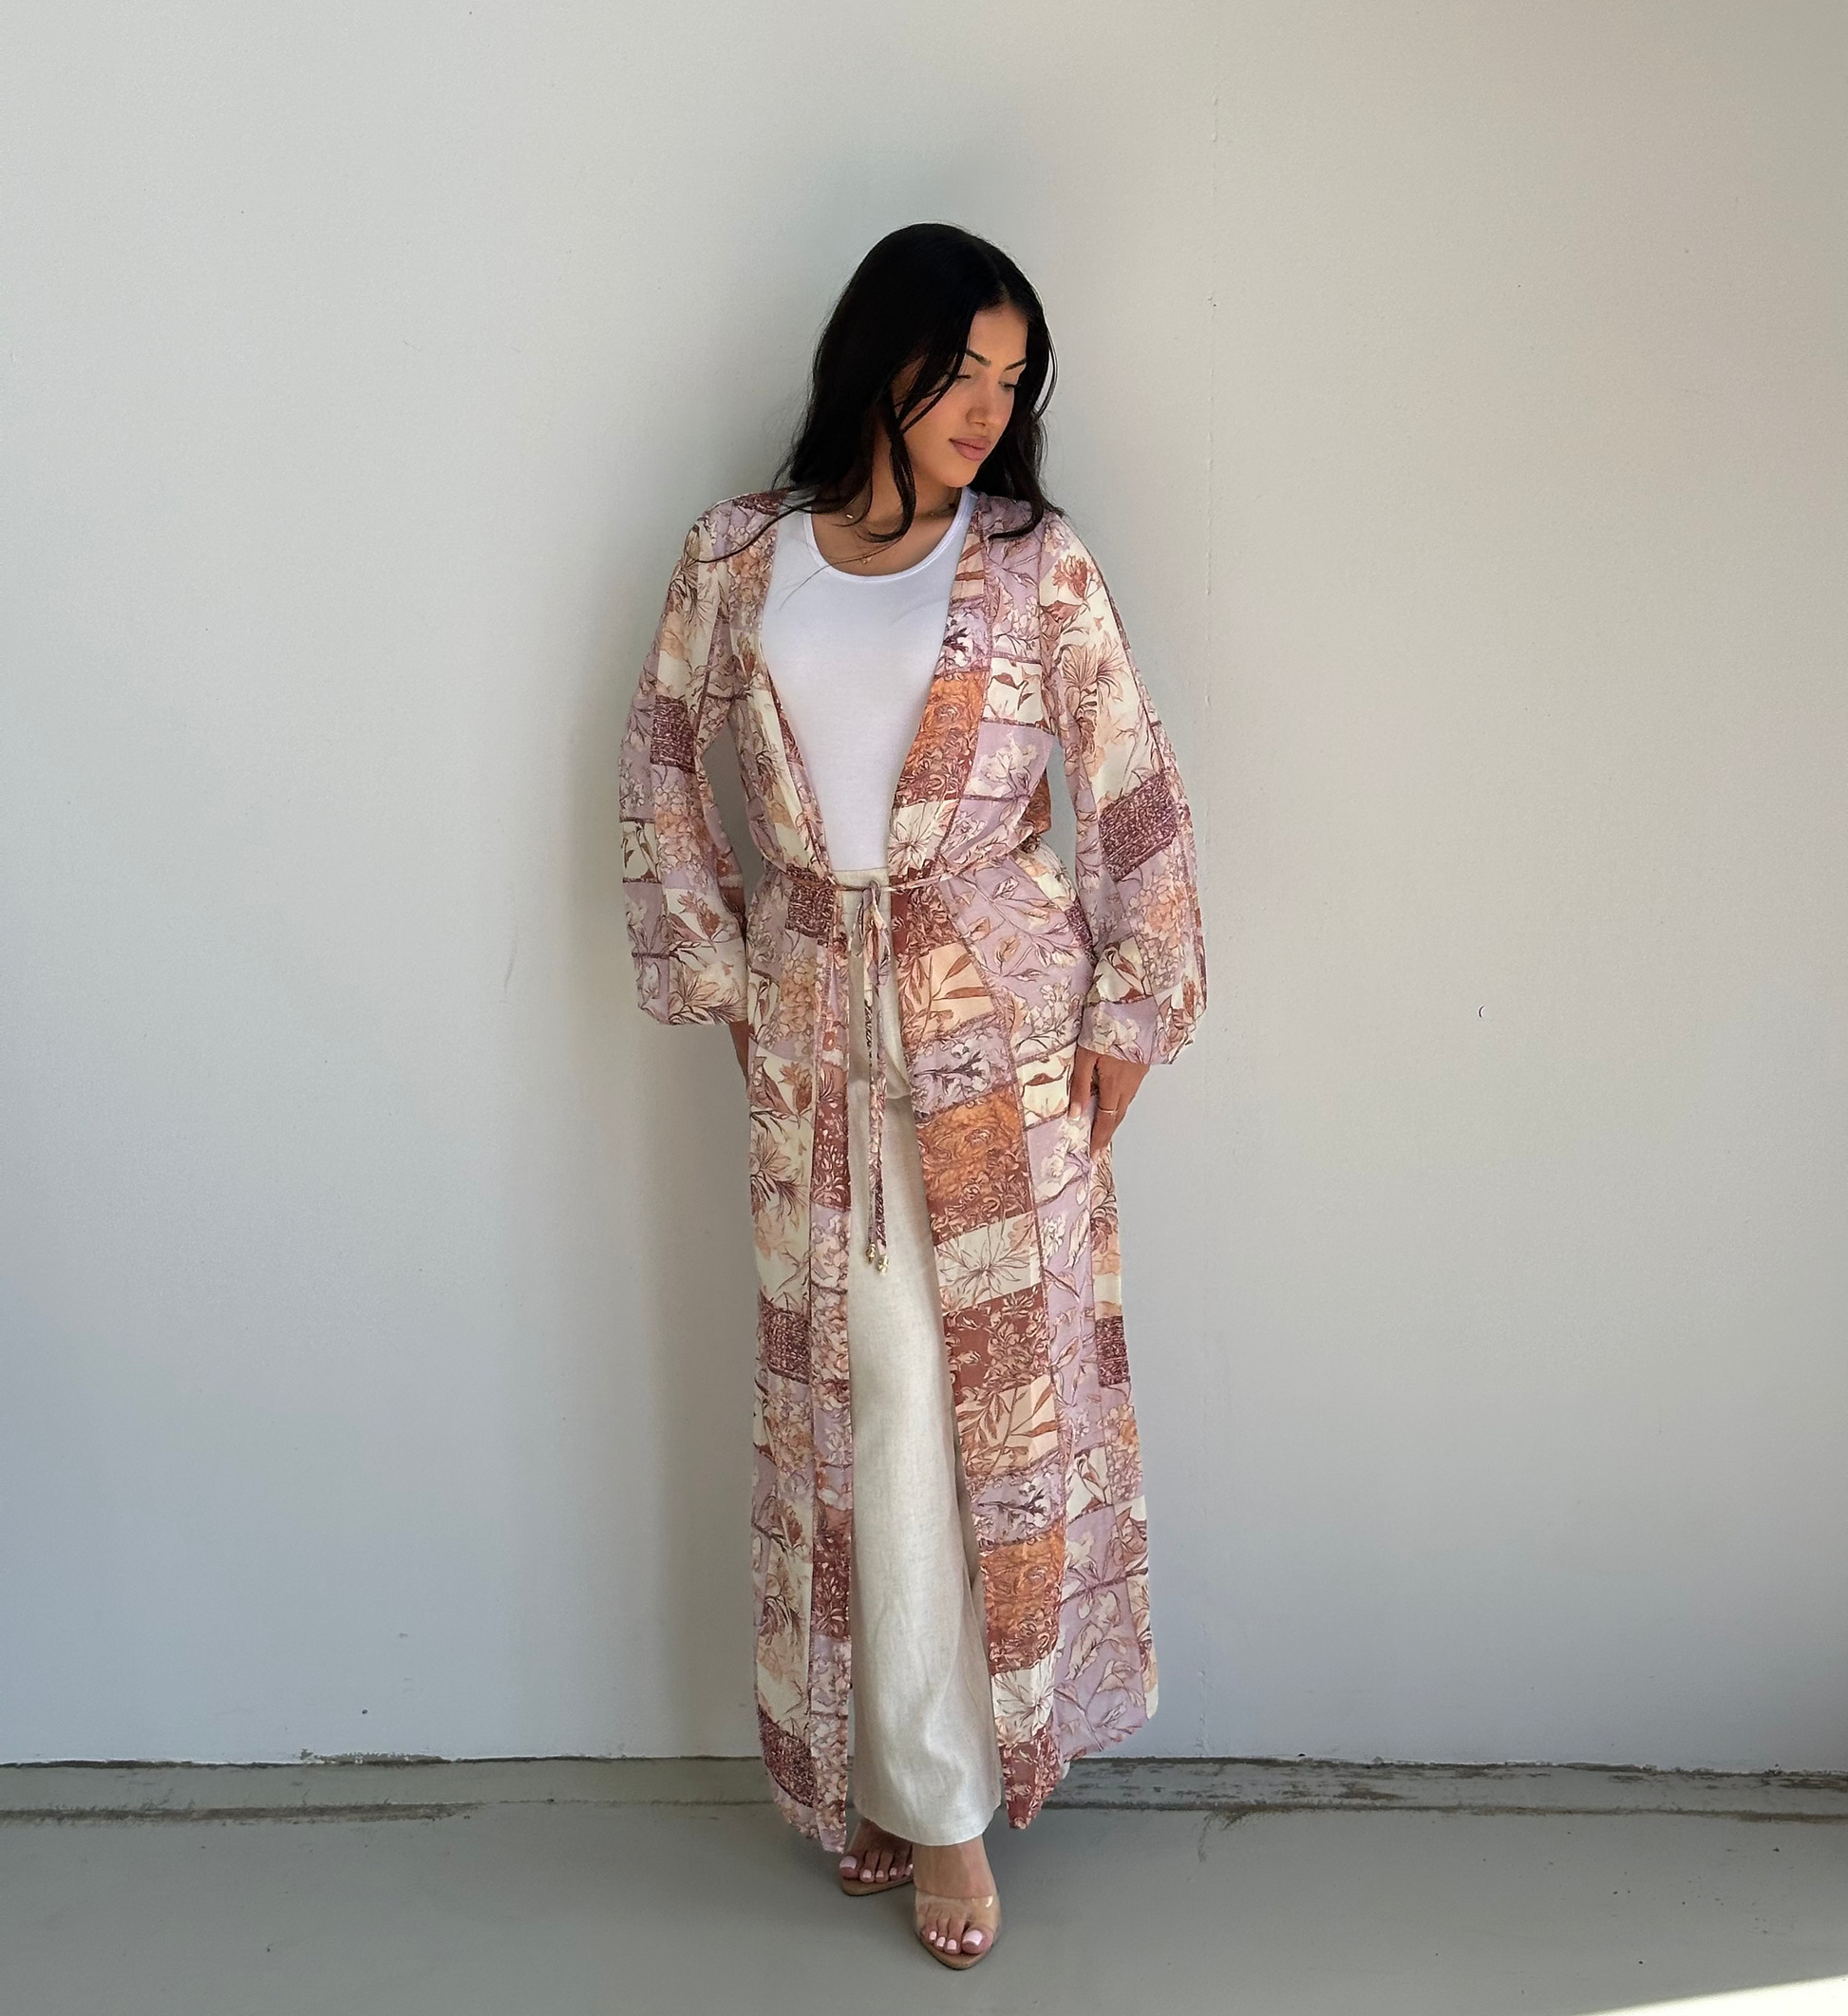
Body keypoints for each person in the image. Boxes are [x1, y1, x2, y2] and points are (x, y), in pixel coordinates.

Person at [619, 222, 1207, 1970]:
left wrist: (1133, 1007)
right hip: (814, 1034)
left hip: (1003, 1040)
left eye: (1012, 381)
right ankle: (907, 1771)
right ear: (880, 352)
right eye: (961, 368)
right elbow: (658, 763)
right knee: (862, 1406)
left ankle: (935, 1794)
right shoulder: (738, 557)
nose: (985, 407)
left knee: (991, 1415)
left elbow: (1132, 786)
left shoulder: (1034, 562)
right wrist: (725, 978)